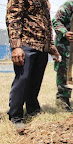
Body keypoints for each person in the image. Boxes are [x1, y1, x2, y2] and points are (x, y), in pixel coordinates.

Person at [6, 0, 60, 129]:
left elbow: (47, 25)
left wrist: (51, 47)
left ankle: (32, 109)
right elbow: (13, 18)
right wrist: (16, 46)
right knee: (23, 80)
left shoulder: (45, 2)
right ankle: (15, 116)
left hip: (41, 46)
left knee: (36, 80)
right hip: (26, 42)